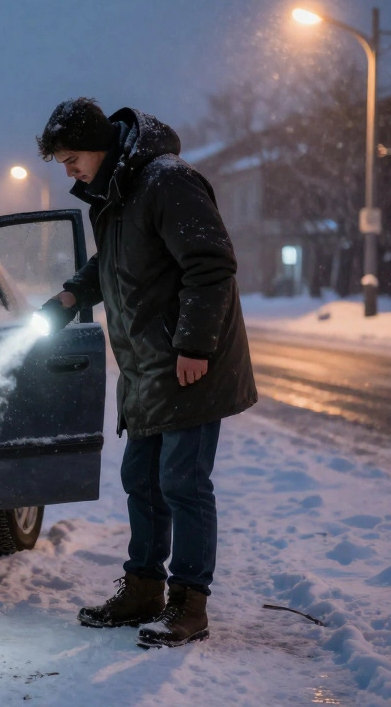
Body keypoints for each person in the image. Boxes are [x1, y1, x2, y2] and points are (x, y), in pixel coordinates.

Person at [38, 97, 256, 648]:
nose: (69, 171)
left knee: (183, 483)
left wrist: (195, 345)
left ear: (101, 145)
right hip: (145, 365)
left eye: (71, 159)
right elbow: (117, 260)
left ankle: (189, 604)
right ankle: (142, 590)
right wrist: (73, 294)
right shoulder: (114, 192)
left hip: (186, 361)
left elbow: (210, 264)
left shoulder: (167, 181)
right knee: (143, 481)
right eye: (61, 162)